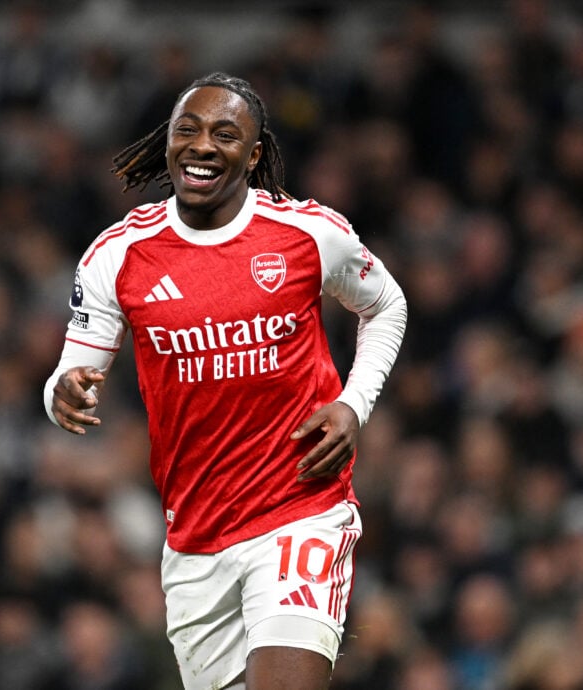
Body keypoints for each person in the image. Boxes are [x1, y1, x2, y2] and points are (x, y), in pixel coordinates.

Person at [44, 72, 407, 689]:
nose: (203, 145)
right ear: (168, 142)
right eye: (187, 130)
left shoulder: (308, 233)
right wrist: (62, 393)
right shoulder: (119, 254)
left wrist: (354, 404)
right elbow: (71, 373)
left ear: (254, 154)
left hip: (301, 508)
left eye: (225, 134)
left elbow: (386, 304)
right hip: (196, 538)